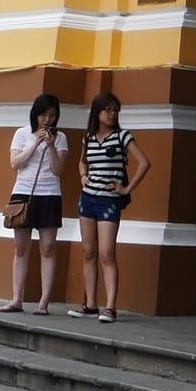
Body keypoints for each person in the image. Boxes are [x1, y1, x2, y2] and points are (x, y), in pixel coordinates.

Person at [74, 91, 148, 321]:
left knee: (107, 253)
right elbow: (82, 160)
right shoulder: (88, 138)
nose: (112, 114)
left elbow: (144, 163)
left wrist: (127, 189)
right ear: (97, 112)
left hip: (109, 200)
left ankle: (110, 306)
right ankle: (90, 304)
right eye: (108, 109)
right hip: (87, 198)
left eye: (115, 110)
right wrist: (83, 175)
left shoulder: (122, 137)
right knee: (88, 251)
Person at [2, 92, 66, 314]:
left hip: (49, 194)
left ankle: (43, 302)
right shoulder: (21, 134)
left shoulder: (60, 138)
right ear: (35, 115)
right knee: (21, 248)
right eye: (43, 115)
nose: (47, 120)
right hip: (23, 193)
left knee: (48, 247)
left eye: (52, 116)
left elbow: (59, 170)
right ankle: (16, 298)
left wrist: (50, 146)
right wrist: (35, 144)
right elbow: (15, 164)